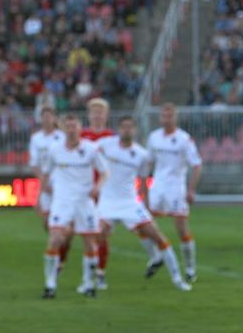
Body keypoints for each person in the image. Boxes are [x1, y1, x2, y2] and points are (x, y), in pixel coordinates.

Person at [97, 116, 192, 291]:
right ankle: (98, 276)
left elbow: (143, 181)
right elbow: (88, 154)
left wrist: (145, 203)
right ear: (118, 128)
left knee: (158, 236)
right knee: (98, 236)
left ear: (135, 130)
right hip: (108, 201)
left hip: (130, 202)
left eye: (130, 127)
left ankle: (178, 279)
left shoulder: (141, 155)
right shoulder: (106, 144)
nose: (126, 130)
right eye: (123, 127)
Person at [41, 114, 107, 299]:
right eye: (67, 126)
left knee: (89, 242)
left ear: (80, 128)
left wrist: (97, 188)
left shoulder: (91, 149)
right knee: (55, 238)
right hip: (62, 201)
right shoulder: (54, 149)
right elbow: (46, 173)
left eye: (74, 126)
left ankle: (88, 283)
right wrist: (44, 191)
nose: (71, 130)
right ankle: (50, 284)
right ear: (63, 129)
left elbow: (104, 172)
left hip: (84, 201)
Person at [146, 103, 203, 283]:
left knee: (181, 228)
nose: (166, 118)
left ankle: (190, 268)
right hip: (156, 186)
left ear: (175, 118)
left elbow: (196, 165)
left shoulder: (184, 139)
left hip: (176, 188)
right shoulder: (153, 137)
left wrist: (191, 189)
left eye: (170, 115)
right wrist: (143, 188)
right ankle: (157, 256)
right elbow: (148, 163)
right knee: (142, 223)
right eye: (164, 114)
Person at [81, 97, 115, 288]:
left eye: (100, 112)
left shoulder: (112, 138)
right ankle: (88, 274)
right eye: (94, 112)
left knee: (102, 235)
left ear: (106, 115)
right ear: (89, 115)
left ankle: (100, 273)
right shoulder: (82, 136)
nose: (97, 115)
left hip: (106, 192)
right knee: (88, 234)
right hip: (85, 191)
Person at [28, 105, 65, 228]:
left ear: (54, 118)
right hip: (45, 180)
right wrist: (43, 183)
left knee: (63, 216)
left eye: (49, 116)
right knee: (46, 219)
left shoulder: (62, 137)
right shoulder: (36, 138)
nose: (47, 119)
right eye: (44, 117)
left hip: (61, 180)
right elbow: (34, 163)